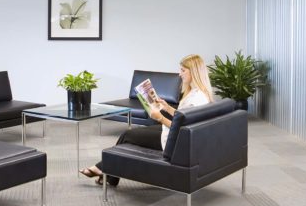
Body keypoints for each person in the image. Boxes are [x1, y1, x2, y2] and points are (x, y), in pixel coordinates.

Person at [81, 54, 214, 185]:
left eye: (183, 70)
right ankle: (106, 173)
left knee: (127, 135)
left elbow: (181, 129)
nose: (180, 74)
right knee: (130, 135)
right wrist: (167, 107)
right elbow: (183, 118)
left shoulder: (195, 99)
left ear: (194, 72)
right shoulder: (199, 94)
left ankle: (104, 171)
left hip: (173, 141)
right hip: (173, 134)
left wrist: (160, 118)